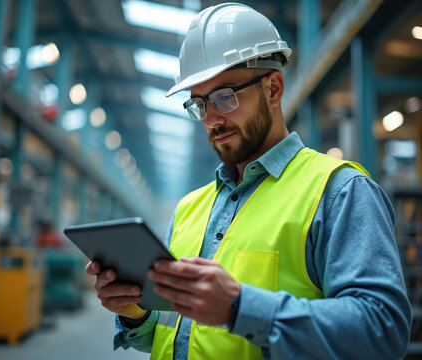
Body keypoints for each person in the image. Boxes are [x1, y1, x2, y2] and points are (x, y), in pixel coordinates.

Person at [86, 3, 412, 359]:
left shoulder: (338, 192)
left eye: (224, 97)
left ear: (273, 89)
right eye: (199, 104)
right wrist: (136, 314)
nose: (211, 119)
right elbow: (175, 334)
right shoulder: (189, 209)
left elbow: (383, 332)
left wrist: (241, 307)